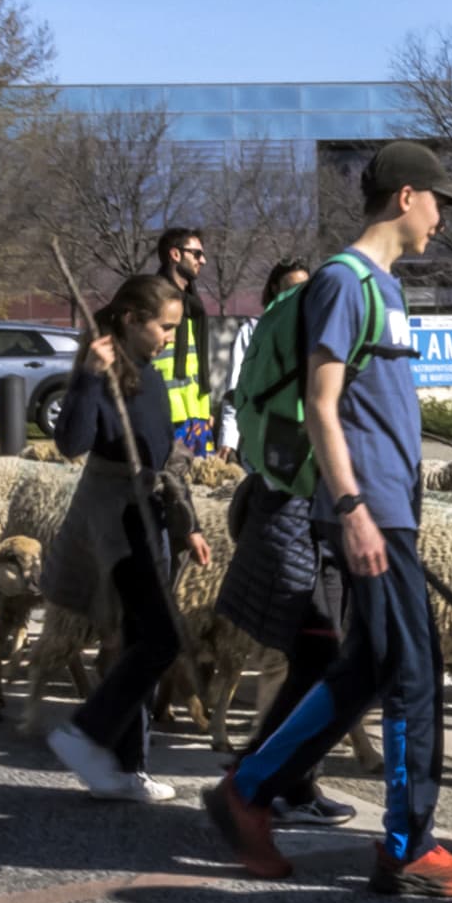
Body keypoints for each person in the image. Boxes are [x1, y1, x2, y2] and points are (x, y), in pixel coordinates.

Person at [205, 145, 452, 898]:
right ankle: (408, 846)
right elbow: (321, 404)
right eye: (439, 203)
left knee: (368, 668)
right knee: (412, 673)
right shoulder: (345, 281)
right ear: (405, 196)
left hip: (389, 508)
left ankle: (247, 789)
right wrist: (351, 508)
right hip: (369, 511)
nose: (442, 219)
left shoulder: (384, 287)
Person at [38, 274, 213, 801]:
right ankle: (86, 733)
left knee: (143, 641)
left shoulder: (152, 378)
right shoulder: (101, 373)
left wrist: (188, 523)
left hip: (150, 518)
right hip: (115, 525)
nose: (170, 338)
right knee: (161, 638)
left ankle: (126, 767)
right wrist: (89, 377)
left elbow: (166, 454)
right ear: (133, 320)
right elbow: (72, 442)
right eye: (165, 327)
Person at [211, 256, 356, 828]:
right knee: (318, 656)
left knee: (314, 658)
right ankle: (257, 783)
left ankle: (279, 782)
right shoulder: (304, 339)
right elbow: (322, 413)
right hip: (301, 511)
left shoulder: (275, 331)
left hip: (286, 503)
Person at [152, 227, 221, 458]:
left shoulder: (194, 306)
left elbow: (195, 364)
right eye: (197, 254)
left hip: (197, 418)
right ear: (175, 254)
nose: (203, 260)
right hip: (164, 417)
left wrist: (205, 411)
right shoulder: (152, 299)